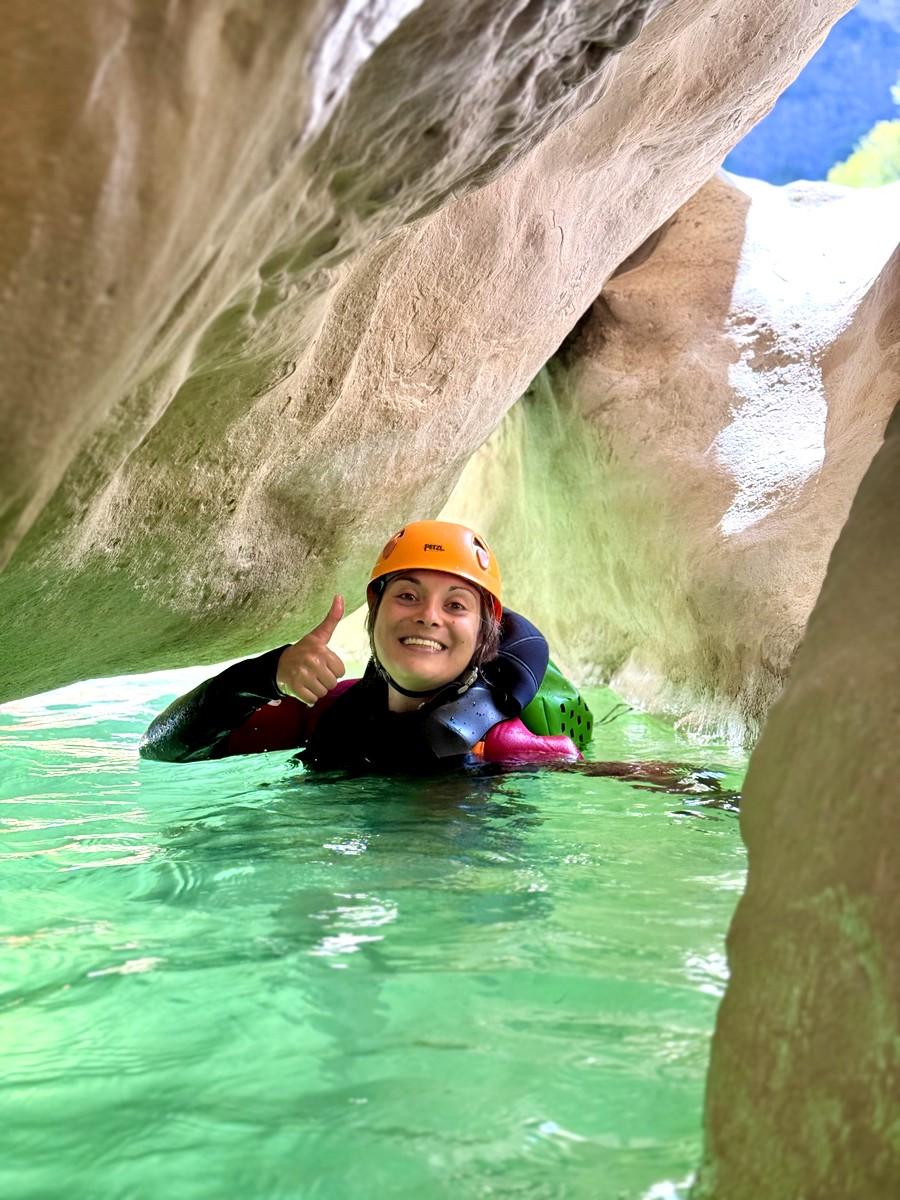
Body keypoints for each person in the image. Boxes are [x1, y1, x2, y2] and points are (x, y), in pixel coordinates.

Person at [140, 520, 585, 773]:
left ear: (485, 635)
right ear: (374, 613)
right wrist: (268, 674)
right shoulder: (328, 712)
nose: (428, 616)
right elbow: (162, 748)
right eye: (407, 596)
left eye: (455, 605)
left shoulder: (507, 742)